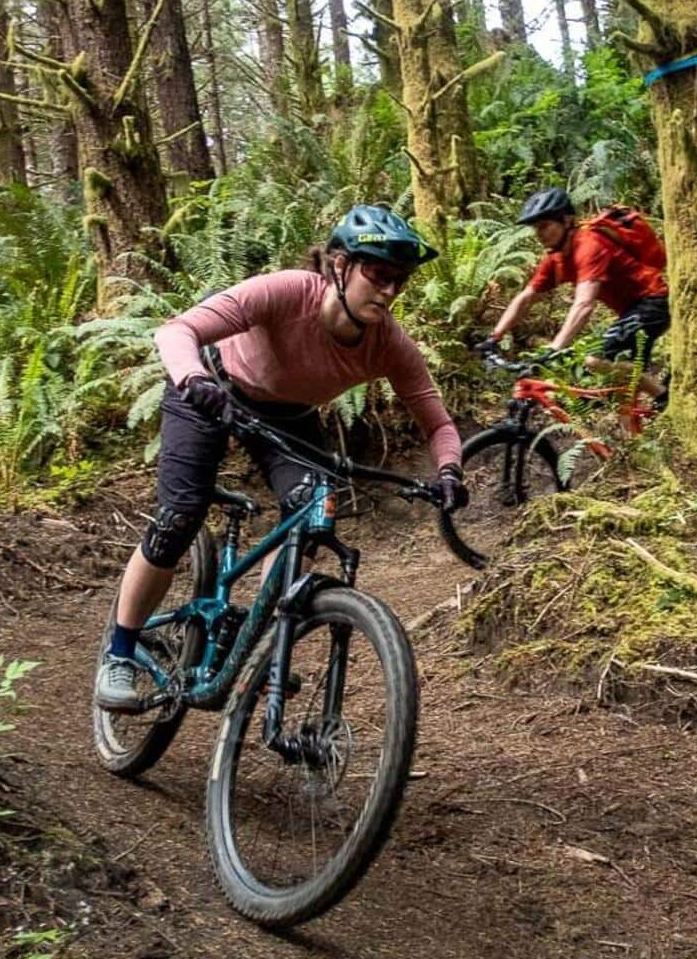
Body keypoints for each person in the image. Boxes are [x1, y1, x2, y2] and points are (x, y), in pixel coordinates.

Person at [95, 205, 468, 713]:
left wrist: (449, 469)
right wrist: (194, 380)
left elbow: (438, 422)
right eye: (378, 275)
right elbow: (174, 332)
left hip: (287, 416)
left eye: (398, 281)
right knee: (179, 518)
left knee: (314, 511)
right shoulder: (288, 291)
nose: (388, 290)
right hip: (210, 389)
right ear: (340, 266)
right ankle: (120, 650)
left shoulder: (388, 343)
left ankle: (257, 642)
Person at [477, 187, 670, 406]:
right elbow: (526, 298)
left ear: (567, 220)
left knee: (595, 360)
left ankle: (665, 397)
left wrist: (555, 347)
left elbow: (584, 304)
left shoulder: (589, 245)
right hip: (630, 312)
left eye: (544, 226)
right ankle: (636, 435)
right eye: (535, 228)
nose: (539, 233)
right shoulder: (556, 258)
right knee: (623, 399)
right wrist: (495, 337)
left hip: (653, 303)